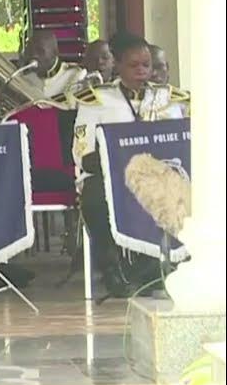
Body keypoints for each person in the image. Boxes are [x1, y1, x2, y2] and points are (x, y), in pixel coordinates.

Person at [73, 32, 190, 297]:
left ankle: (157, 266)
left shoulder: (166, 98)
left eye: (146, 65)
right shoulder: (96, 100)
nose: (141, 71)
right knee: (94, 198)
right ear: (117, 64)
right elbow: (82, 152)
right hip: (108, 176)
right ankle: (111, 268)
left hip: (157, 176)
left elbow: (179, 142)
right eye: (133, 65)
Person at [22, 30, 86, 99]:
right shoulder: (26, 80)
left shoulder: (74, 75)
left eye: (40, 51)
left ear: (55, 52)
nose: (34, 55)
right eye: (30, 50)